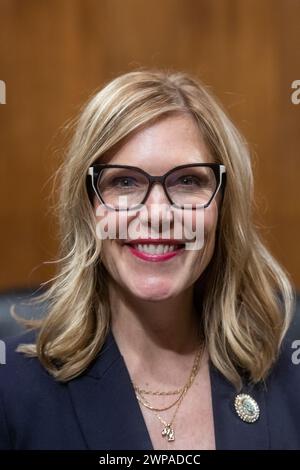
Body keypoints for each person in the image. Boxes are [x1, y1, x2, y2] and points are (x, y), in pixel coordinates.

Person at [0, 69, 299, 450]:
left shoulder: (289, 378)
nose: (157, 214)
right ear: (89, 209)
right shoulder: (10, 389)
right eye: (124, 181)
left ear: (224, 207)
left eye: (188, 181)